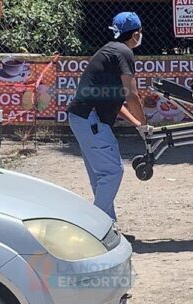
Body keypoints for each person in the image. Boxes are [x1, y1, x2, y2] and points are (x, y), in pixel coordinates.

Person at [67, 12, 148, 228]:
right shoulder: (124, 53)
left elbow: (118, 102)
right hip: (89, 117)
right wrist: (146, 123)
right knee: (113, 172)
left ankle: (107, 223)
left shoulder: (110, 50)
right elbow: (131, 94)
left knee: (101, 175)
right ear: (136, 33)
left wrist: (138, 124)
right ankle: (93, 226)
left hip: (81, 117)